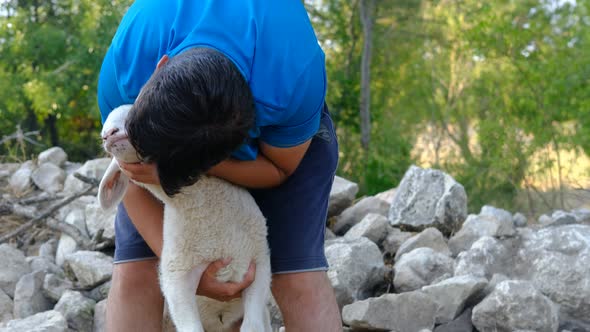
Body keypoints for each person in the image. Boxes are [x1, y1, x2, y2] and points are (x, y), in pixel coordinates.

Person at [97, 0, 341, 331]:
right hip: (172, 131)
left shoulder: (292, 79)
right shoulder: (128, 63)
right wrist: (182, 268)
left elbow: (280, 168)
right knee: (136, 272)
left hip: (276, 149)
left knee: (296, 276)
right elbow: (126, 171)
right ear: (160, 67)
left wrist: (193, 170)